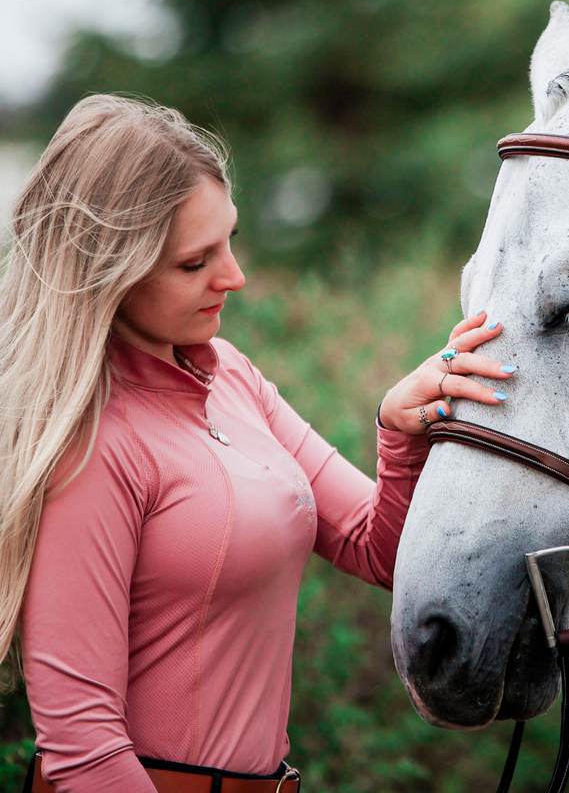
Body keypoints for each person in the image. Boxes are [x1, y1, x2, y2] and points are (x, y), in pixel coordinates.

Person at [0, 96, 515, 792]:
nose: (234, 276)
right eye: (194, 263)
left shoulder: (230, 375)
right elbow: (82, 744)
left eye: (230, 240)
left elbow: (379, 549)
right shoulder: (87, 445)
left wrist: (399, 433)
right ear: (109, 271)